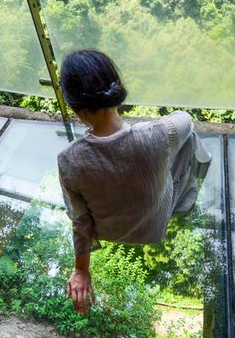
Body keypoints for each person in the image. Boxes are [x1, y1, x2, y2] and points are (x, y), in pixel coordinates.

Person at [57, 49, 212, 315]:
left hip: (110, 230)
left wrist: (82, 270)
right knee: (185, 144)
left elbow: (80, 219)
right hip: (155, 224)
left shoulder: (68, 159)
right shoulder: (160, 134)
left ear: (76, 109)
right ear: (117, 87)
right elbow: (185, 118)